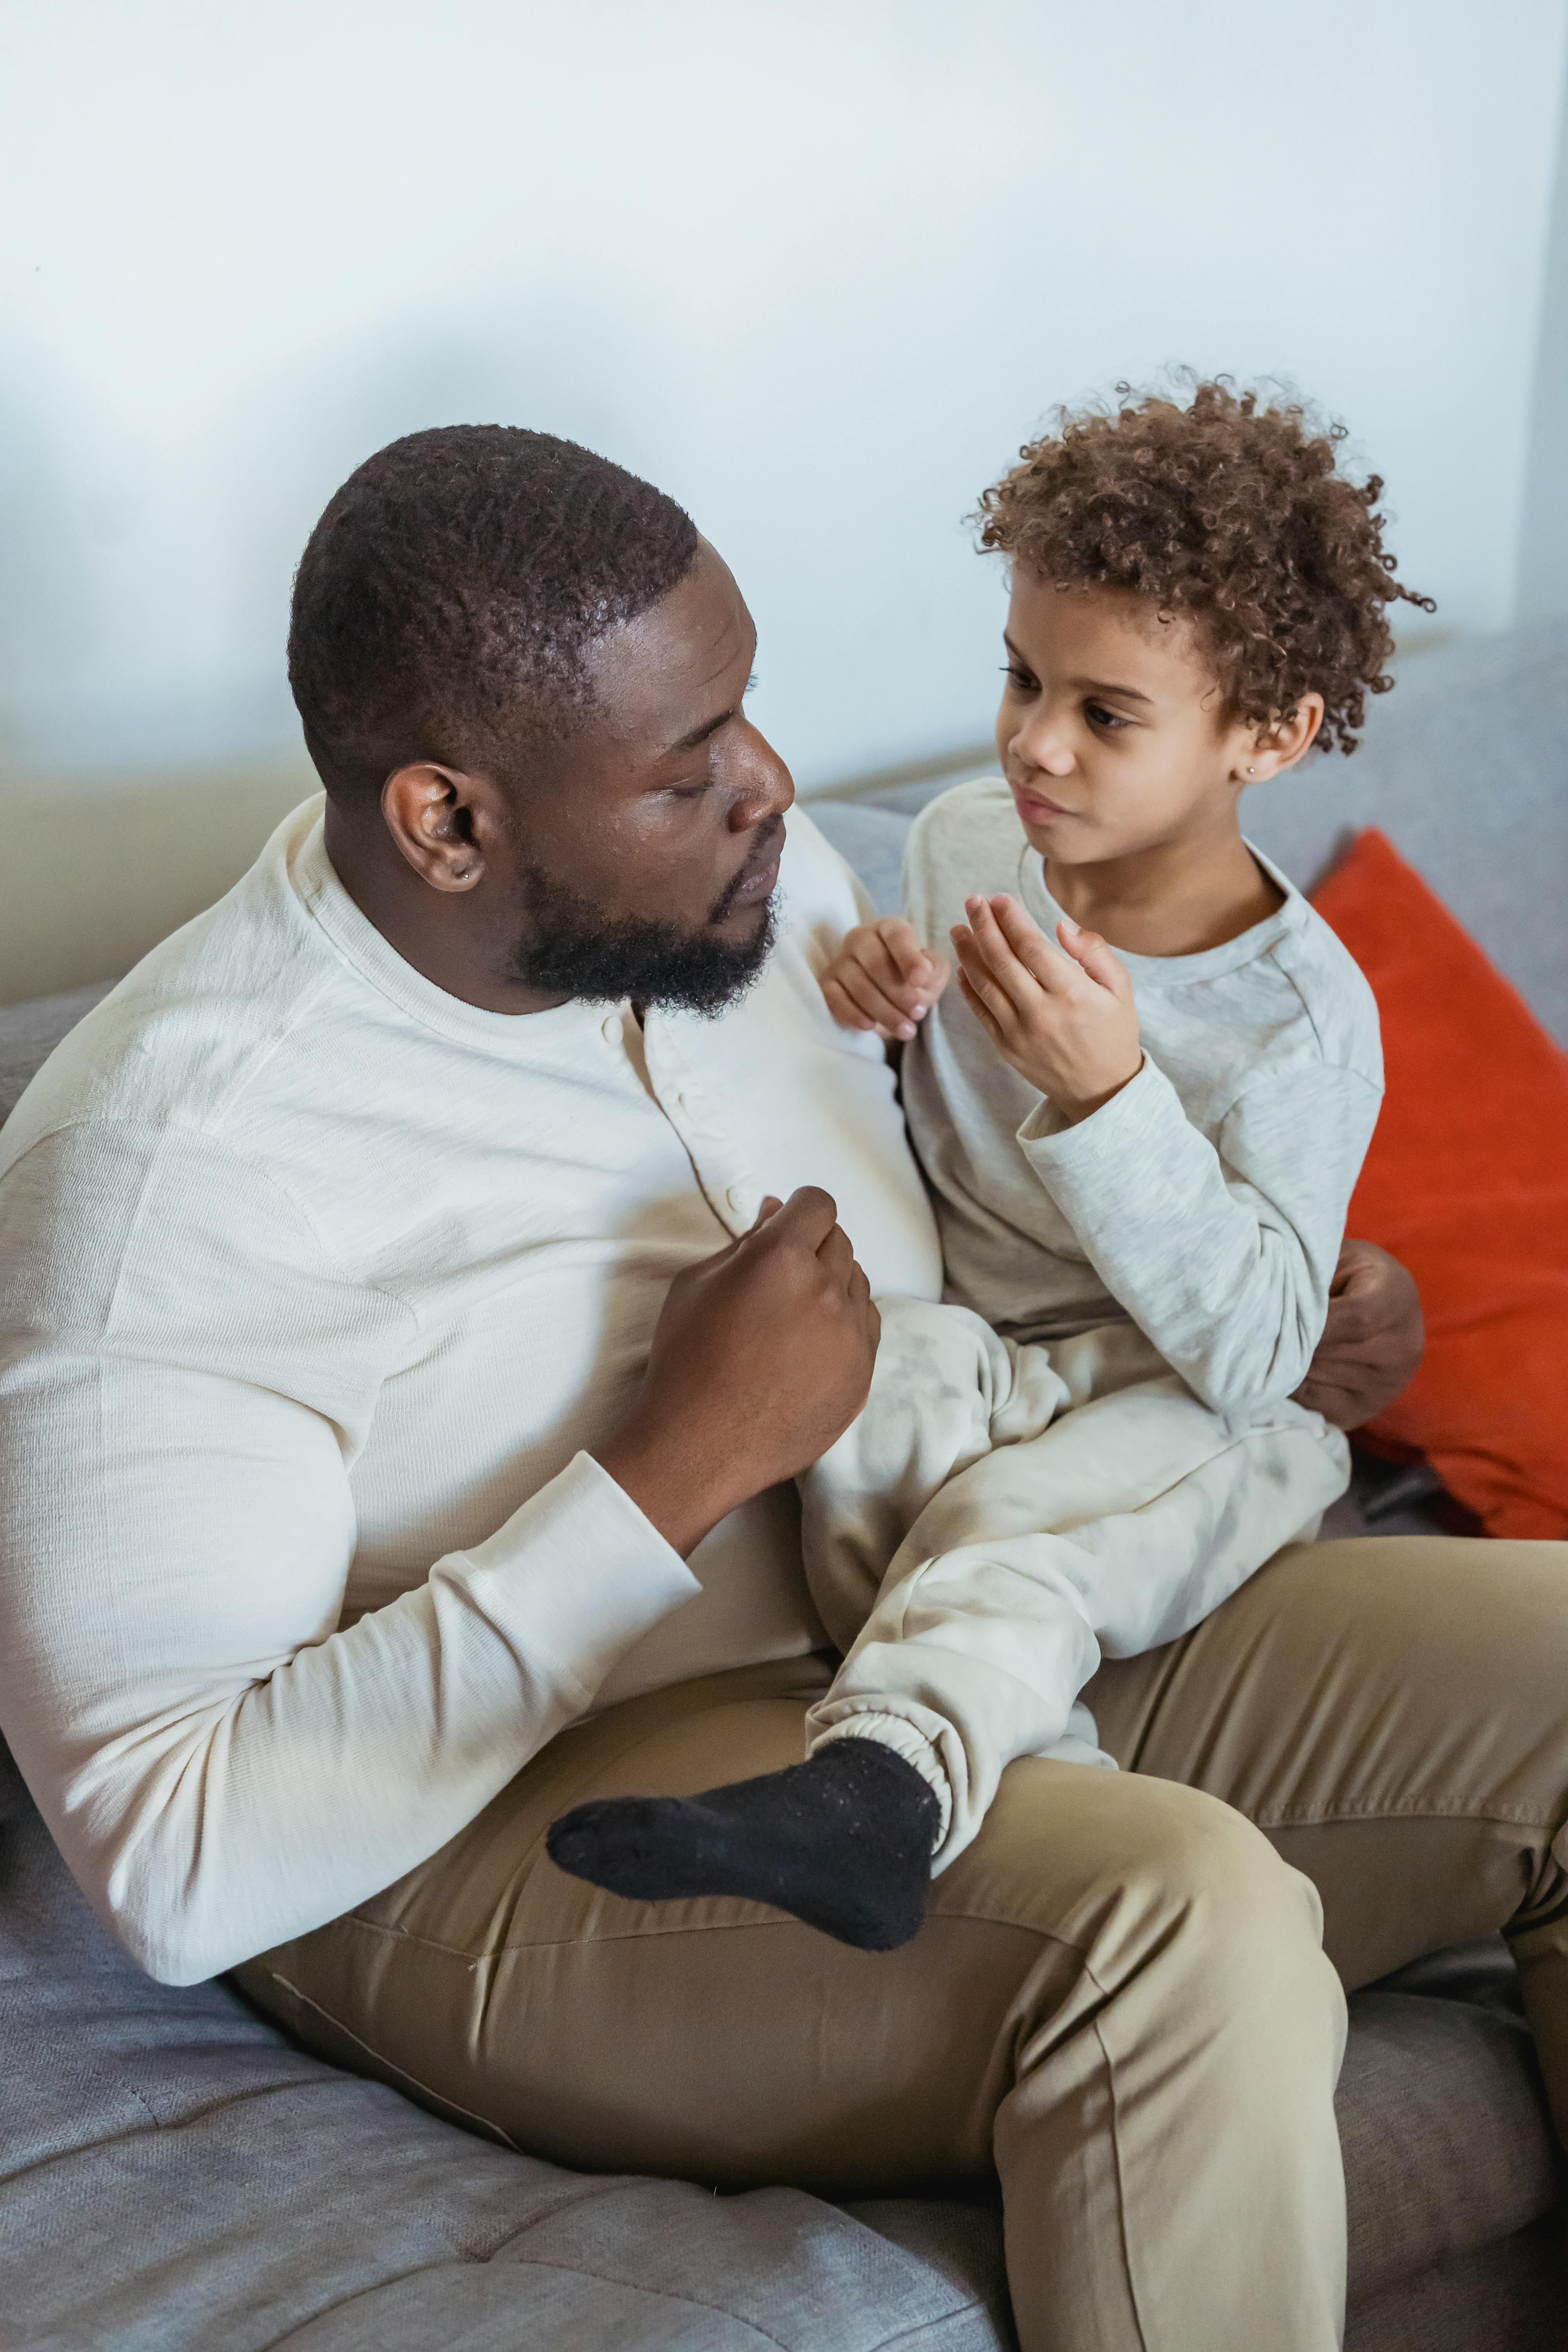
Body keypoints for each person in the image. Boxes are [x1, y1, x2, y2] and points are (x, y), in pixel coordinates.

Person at [0, 424, 1563, 2352]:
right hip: (514, 1819)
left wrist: (1295, 1302)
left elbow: (1035, 1190)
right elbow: (170, 1859)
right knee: (1179, 1915)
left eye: (745, 715)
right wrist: (664, 1476)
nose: (776, 788)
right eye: (689, 769)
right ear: (446, 823)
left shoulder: (750, 883)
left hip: (947, 1580)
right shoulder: (175, 1177)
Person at [546, 383, 1419, 1954]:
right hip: (984, 1362)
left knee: (1032, 1520)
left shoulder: (1301, 1018)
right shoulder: (965, 846)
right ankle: (993, 1791)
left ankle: (885, 1782)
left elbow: (1262, 1351)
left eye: (1106, 714)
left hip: (1193, 1408)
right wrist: (885, 997)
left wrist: (1113, 1094)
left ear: (1267, 738)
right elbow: (923, 1108)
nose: (1033, 741)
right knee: (864, 1387)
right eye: (1023, 678)